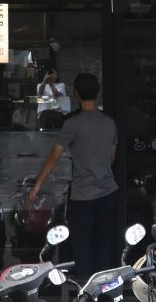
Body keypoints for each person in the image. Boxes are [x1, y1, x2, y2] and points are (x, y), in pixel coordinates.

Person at [27, 72, 117, 278]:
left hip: (82, 195)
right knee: (103, 243)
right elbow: (111, 158)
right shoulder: (109, 123)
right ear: (98, 92)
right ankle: (104, 288)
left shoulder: (72, 124)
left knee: (81, 245)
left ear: (76, 94)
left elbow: (55, 156)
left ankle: (85, 290)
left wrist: (37, 186)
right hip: (108, 192)